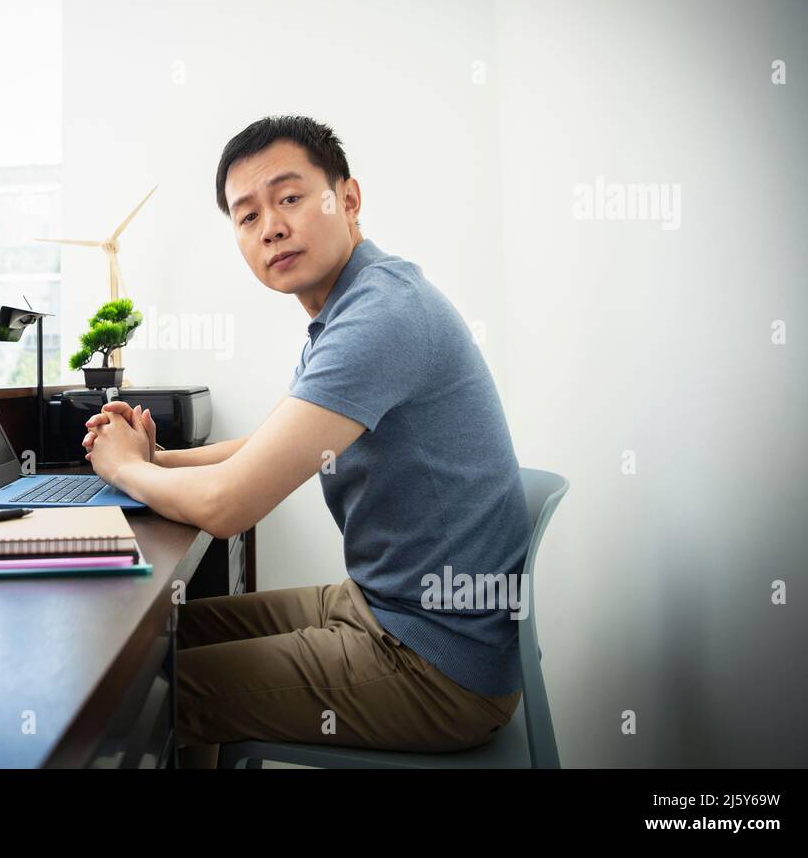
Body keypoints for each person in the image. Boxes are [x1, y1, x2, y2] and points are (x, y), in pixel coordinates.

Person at [81, 115, 531, 768]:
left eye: (290, 198)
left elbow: (230, 505)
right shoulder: (353, 306)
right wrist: (160, 460)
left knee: (151, 685)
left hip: (434, 666)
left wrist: (125, 469)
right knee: (161, 635)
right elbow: (268, 444)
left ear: (347, 200)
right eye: (247, 215)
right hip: (383, 610)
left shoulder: (379, 318)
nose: (272, 226)